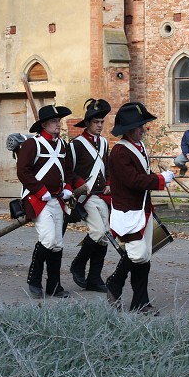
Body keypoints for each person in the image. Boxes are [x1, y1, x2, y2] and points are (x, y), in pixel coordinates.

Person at [106, 102, 174, 313]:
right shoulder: (119, 152)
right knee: (137, 256)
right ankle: (117, 284)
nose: (142, 129)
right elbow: (134, 180)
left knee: (143, 255)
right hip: (128, 210)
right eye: (139, 126)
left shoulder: (139, 147)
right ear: (128, 129)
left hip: (142, 208)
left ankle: (139, 301)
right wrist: (160, 179)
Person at [17, 103, 76, 299]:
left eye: (59, 121)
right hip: (37, 198)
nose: (58, 124)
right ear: (44, 124)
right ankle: (34, 280)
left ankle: (54, 285)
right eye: (54, 121)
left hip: (57, 199)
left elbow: (67, 171)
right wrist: (40, 190)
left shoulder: (62, 145)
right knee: (48, 239)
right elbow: (23, 171)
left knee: (57, 243)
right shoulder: (32, 144)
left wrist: (67, 187)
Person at [67, 98, 112, 292]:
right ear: (87, 123)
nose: (100, 125)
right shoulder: (76, 144)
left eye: (102, 122)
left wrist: (109, 183)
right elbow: (68, 170)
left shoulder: (104, 143)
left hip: (101, 194)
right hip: (85, 196)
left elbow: (108, 168)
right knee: (98, 232)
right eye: (96, 122)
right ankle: (78, 264)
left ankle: (94, 278)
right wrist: (80, 185)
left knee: (104, 236)